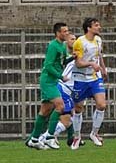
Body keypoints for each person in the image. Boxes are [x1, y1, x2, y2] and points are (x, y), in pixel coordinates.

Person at [26, 22, 70, 150]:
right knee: (60, 106)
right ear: (58, 33)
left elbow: (61, 62)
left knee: (45, 111)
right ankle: (50, 137)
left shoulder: (62, 46)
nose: (67, 33)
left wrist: (72, 58)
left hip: (53, 81)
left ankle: (34, 139)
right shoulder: (53, 45)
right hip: (48, 81)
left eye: (68, 31)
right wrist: (61, 76)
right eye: (64, 31)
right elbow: (48, 65)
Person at [70, 17, 108, 149]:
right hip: (81, 78)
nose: (99, 27)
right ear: (89, 28)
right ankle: (77, 136)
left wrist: (103, 68)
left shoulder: (98, 40)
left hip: (95, 77)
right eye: (96, 25)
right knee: (78, 108)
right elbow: (78, 63)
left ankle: (94, 133)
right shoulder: (79, 42)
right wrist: (92, 64)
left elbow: (99, 56)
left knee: (102, 104)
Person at [39, 32, 78, 148]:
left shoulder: (70, 55)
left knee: (69, 117)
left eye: (75, 39)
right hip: (63, 88)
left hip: (66, 90)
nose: (74, 41)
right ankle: (45, 138)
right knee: (66, 119)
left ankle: (72, 139)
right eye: (72, 39)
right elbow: (54, 69)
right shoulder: (63, 54)